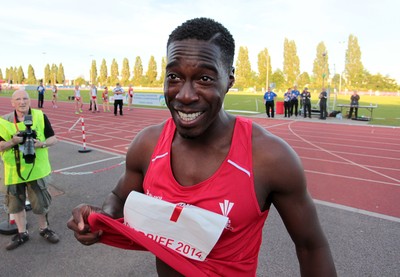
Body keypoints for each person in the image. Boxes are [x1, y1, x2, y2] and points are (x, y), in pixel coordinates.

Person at [67, 18, 336, 276]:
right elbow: (119, 196)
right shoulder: (148, 144)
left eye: (204, 79)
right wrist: (100, 217)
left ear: (229, 79)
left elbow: (312, 247)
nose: (184, 95)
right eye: (174, 76)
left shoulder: (269, 157)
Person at [0, 89, 59, 250]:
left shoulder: (40, 116)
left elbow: (54, 139)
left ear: (29, 100)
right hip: (14, 171)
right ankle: (22, 233)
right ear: (12, 103)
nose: (22, 102)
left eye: (25, 98)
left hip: (37, 170)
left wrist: (41, 143)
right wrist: (13, 141)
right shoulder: (4, 121)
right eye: (18, 99)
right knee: (15, 205)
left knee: (41, 203)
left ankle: (44, 229)